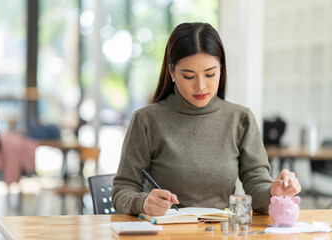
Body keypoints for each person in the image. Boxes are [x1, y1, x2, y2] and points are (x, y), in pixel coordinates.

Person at [111, 22, 301, 216]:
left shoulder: (240, 119)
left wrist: (273, 192)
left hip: (221, 232)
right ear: (172, 72)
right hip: (166, 232)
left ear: (221, 69)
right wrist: (142, 202)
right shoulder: (146, 120)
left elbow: (257, 183)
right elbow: (122, 190)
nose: (201, 86)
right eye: (188, 76)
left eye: (210, 74)